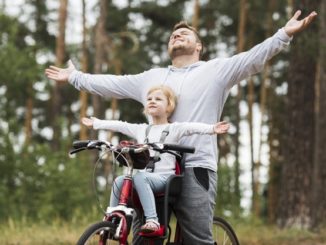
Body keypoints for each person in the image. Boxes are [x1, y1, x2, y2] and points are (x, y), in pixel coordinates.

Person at [45, 10, 317, 245]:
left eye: (185, 34)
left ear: (199, 46)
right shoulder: (152, 77)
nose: (177, 36)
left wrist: (283, 34)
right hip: (153, 167)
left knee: (197, 238)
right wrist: (75, 77)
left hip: (196, 166)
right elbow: (112, 83)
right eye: (174, 35)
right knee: (145, 238)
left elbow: (253, 58)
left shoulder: (216, 70)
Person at [82, 85, 230, 233]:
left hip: (165, 178)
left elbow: (192, 127)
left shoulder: (174, 128)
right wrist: (97, 123)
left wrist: (212, 129)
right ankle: (111, 219)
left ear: (168, 106)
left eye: (158, 99)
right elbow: (120, 125)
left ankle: (152, 220)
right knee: (119, 181)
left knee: (140, 177)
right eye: (149, 99)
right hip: (146, 178)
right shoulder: (142, 129)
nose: (152, 101)